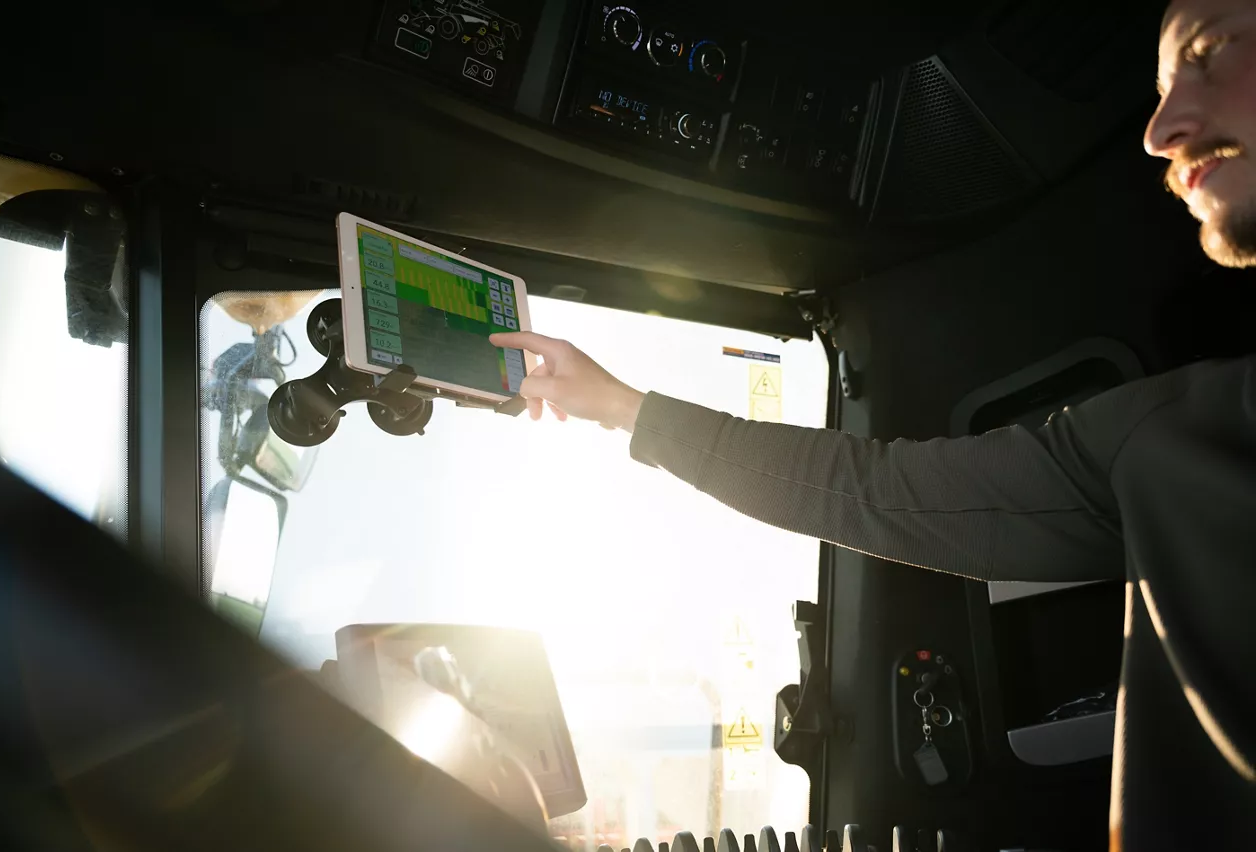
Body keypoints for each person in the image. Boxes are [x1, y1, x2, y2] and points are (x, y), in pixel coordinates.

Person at [493, 0, 1256, 848]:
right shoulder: (1165, 435)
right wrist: (624, 408)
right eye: (1158, 85)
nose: (1158, 130)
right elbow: (885, 494)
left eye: (1214, 50)